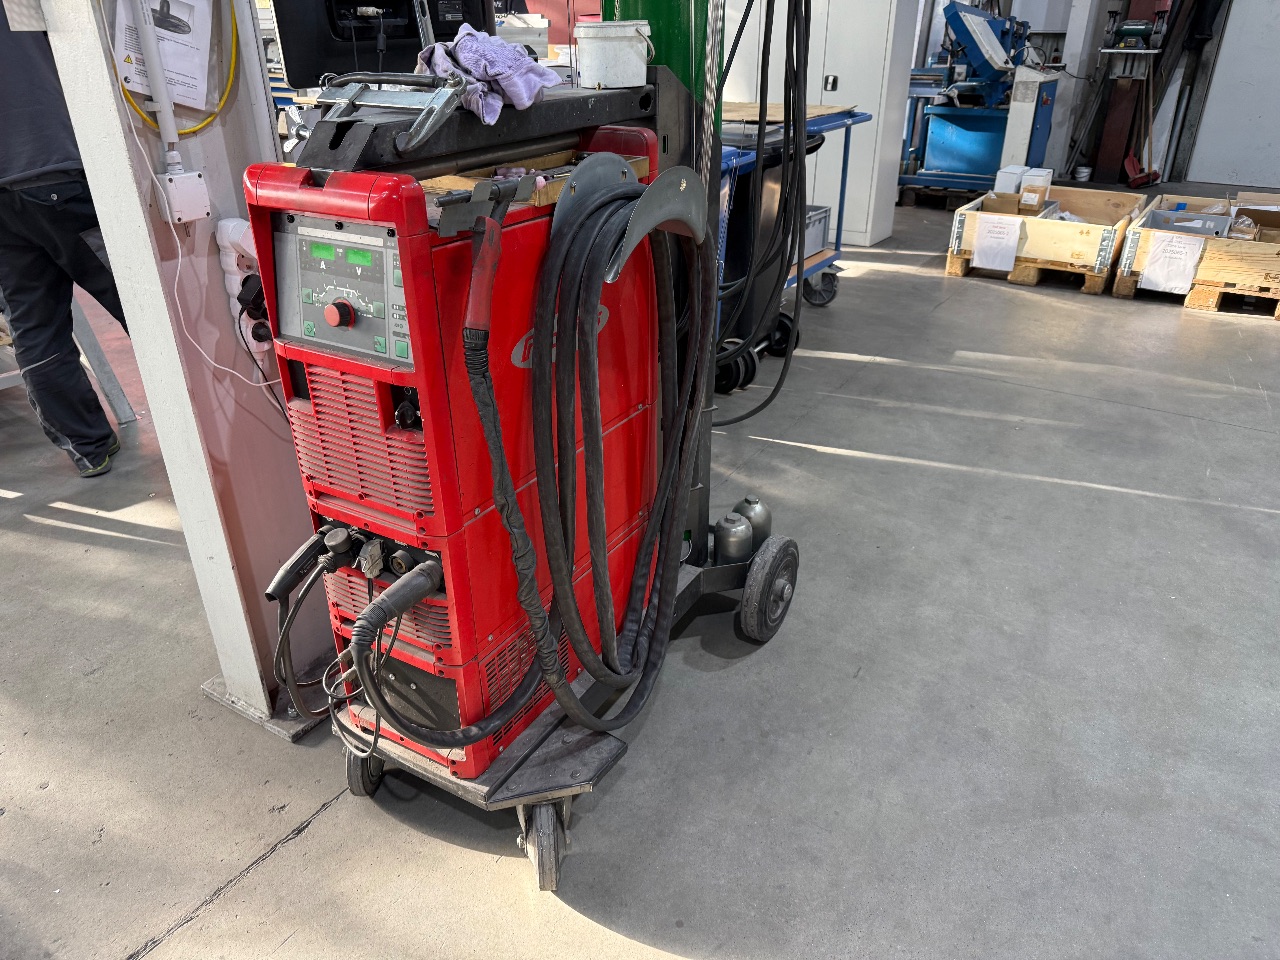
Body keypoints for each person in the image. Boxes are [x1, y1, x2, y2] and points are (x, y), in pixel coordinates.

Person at [0, 7, 129, 477]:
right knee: (140, 304)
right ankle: (210, 422)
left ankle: (88, 447)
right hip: (49, 165)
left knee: (34, 324)